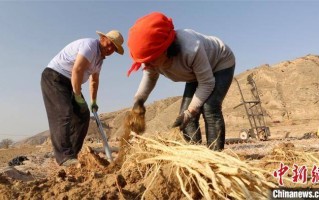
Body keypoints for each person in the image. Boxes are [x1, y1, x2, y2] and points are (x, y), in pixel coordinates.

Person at [127, 12, 235, 151]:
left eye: (151, 60)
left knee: (209, 108)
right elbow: (149, 77)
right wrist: (138, 103)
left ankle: (216, 156)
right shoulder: (150, 60)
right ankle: (194, 155)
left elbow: (207, 83)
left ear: (165, 48)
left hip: (220, 63)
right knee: (185, 116)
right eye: (145, 62)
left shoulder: (190, 49)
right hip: (195, 74)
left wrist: (191, 111)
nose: (147, 65)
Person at [41, 30, 124, 166]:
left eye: (114, 48)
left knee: (83, 114)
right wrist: (78, 95)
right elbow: (77, 70)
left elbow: (94, 81)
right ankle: (64, 157)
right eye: (110, 44)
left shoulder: (99, 60)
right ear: (103, 38)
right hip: (54, 77)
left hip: (70, 82)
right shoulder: (90, 46)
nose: (110, 49)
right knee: (64, 111)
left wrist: (93, 101)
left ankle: (72, 155)